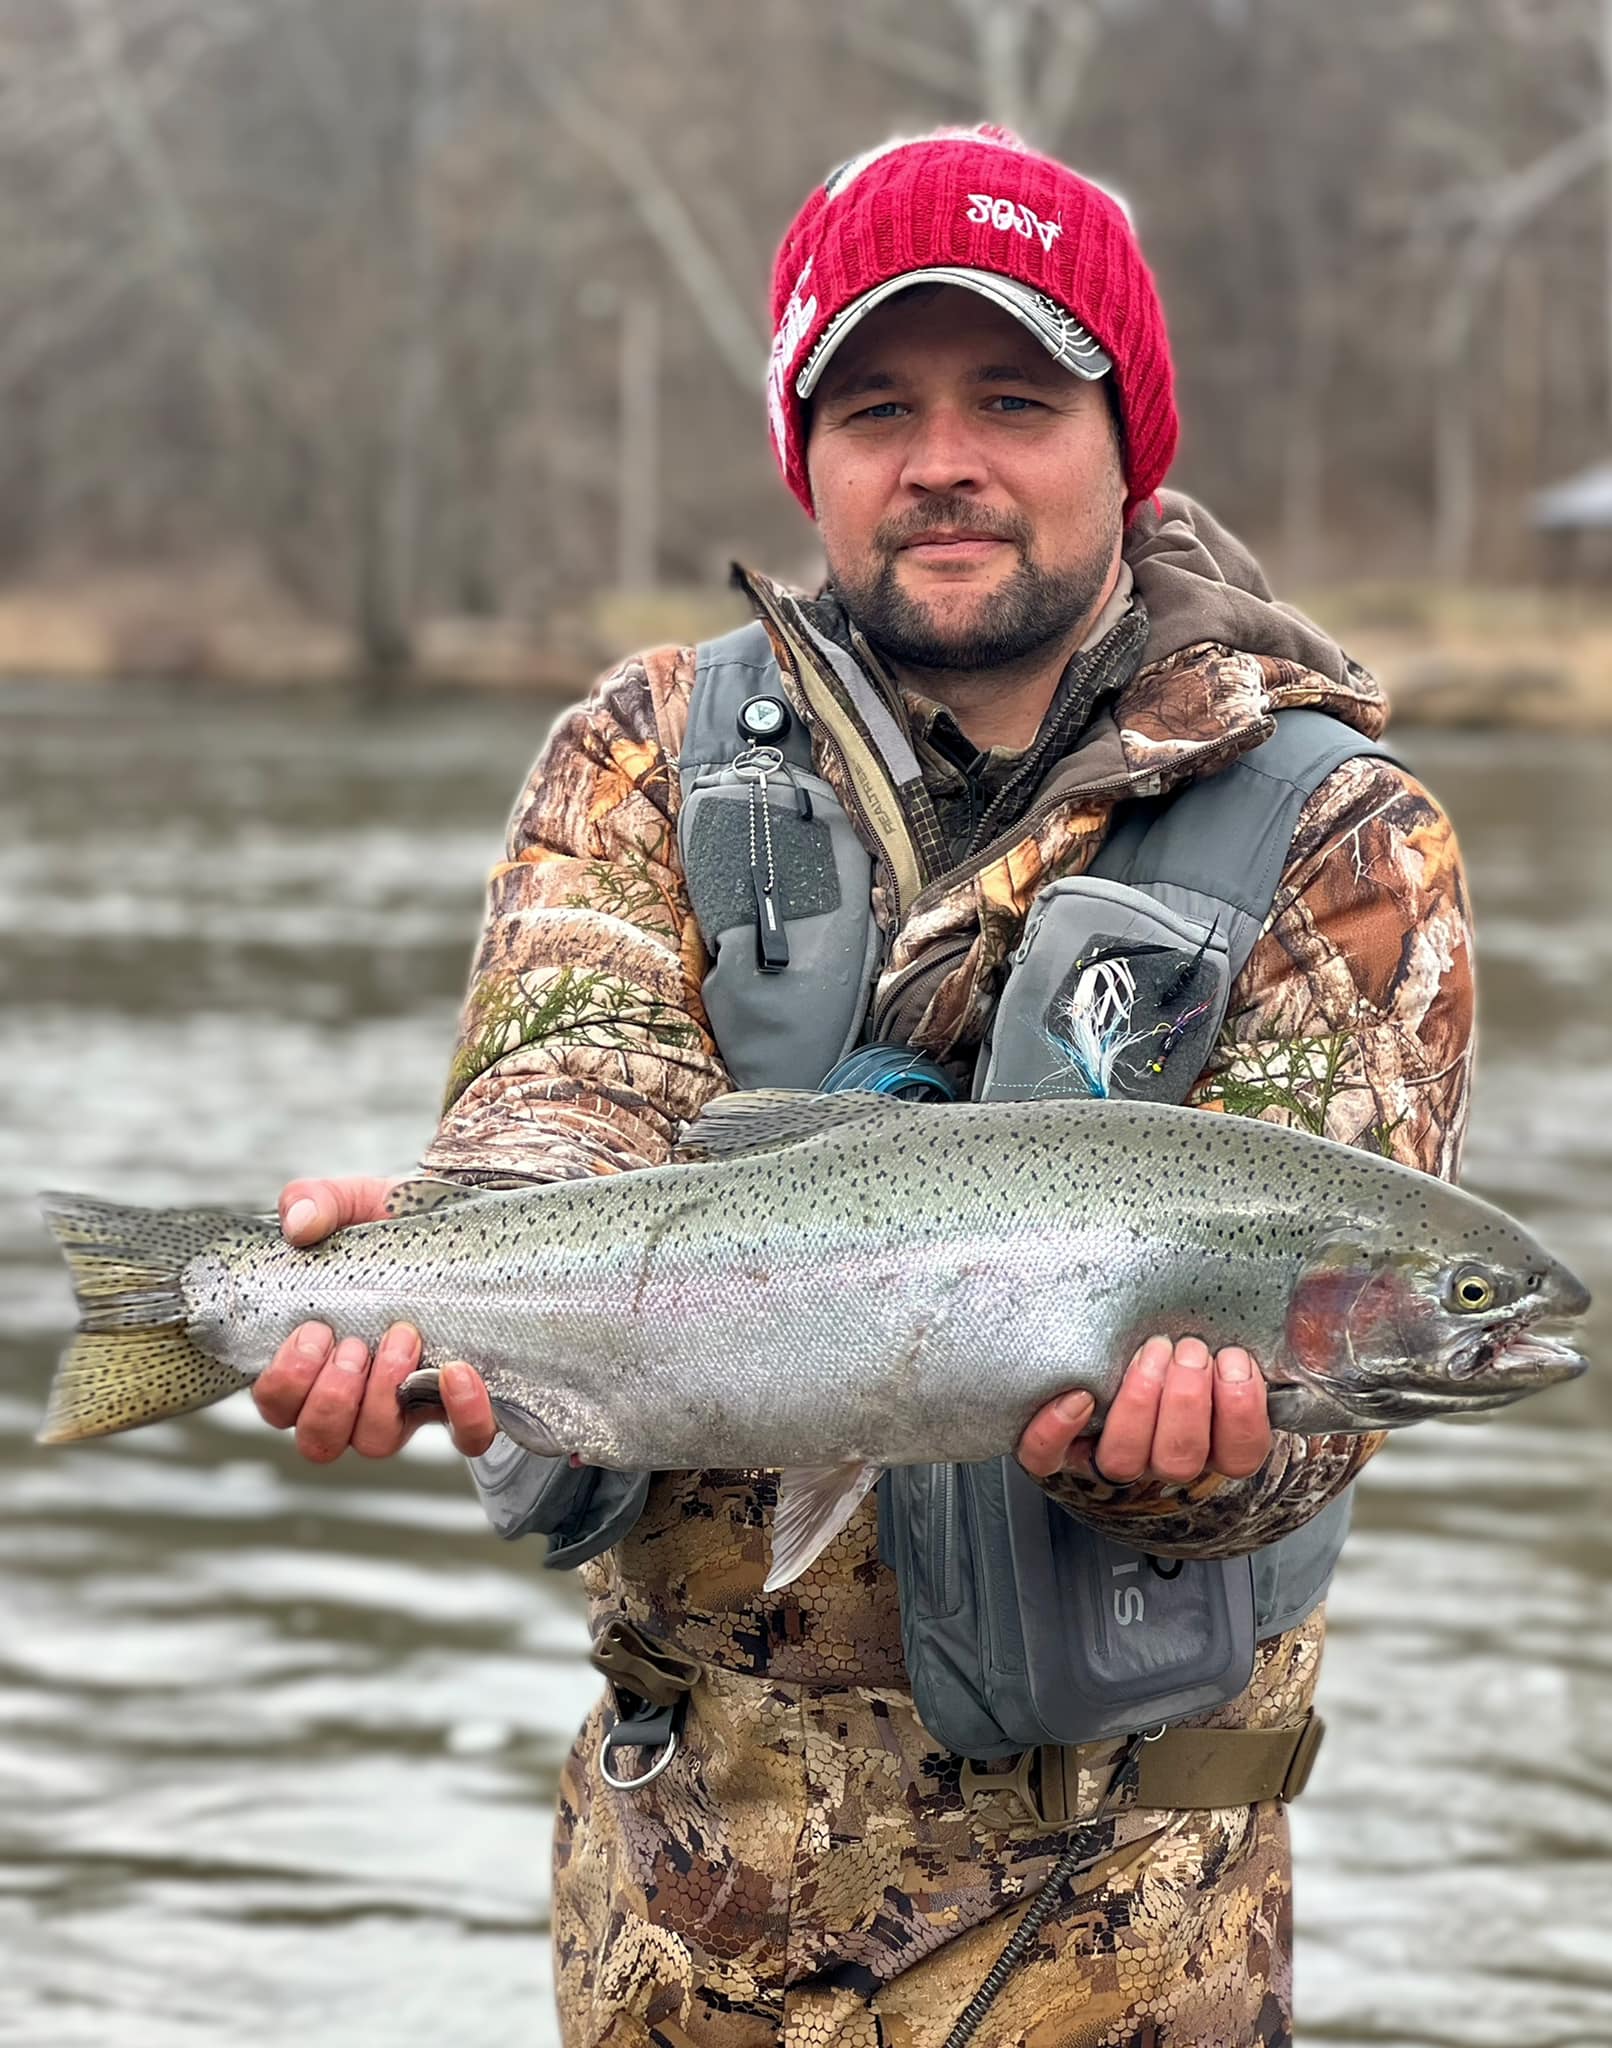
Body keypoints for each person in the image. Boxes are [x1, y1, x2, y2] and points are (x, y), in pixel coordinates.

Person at [251, 126, 1474, 2047]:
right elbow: (569, 1095)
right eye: (877, 405)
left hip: (1131, 1947)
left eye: (1013, 396)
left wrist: (1215, 1458)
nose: (944, 459)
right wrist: (430, 1274)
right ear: (806, 456)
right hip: (684, 1935)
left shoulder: (1343, 836)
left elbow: (1318, 1423)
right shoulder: (642, 752)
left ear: (1124, 437)